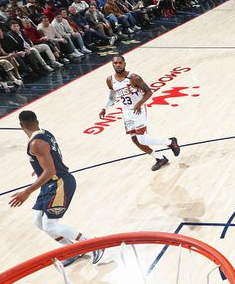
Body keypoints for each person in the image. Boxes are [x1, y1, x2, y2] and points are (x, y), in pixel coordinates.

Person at [9, 110, 103, 267]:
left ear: (21, 125)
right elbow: (53, 156)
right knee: (38, 222)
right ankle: (73, 250)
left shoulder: (35, 144)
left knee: (50, 225)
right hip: (49, 183)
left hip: (60, 183)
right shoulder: (45, 133)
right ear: (37, 122)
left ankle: (94, 245)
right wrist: (39, 169)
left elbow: (50, 170)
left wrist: (27, 191)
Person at [99, 55, 181, 171]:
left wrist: (139, 103)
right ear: (112, 65)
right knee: (135, 140)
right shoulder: (110, 80)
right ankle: (159, 158)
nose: (118, 65)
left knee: (142, 139)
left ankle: (170, 142)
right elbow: (112, 96)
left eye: (120, 63)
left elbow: (149, 92)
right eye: (115, 63)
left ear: (124, 64)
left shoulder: (134, 78)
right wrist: (104, 108)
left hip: (139, 110)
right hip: (126, 111)